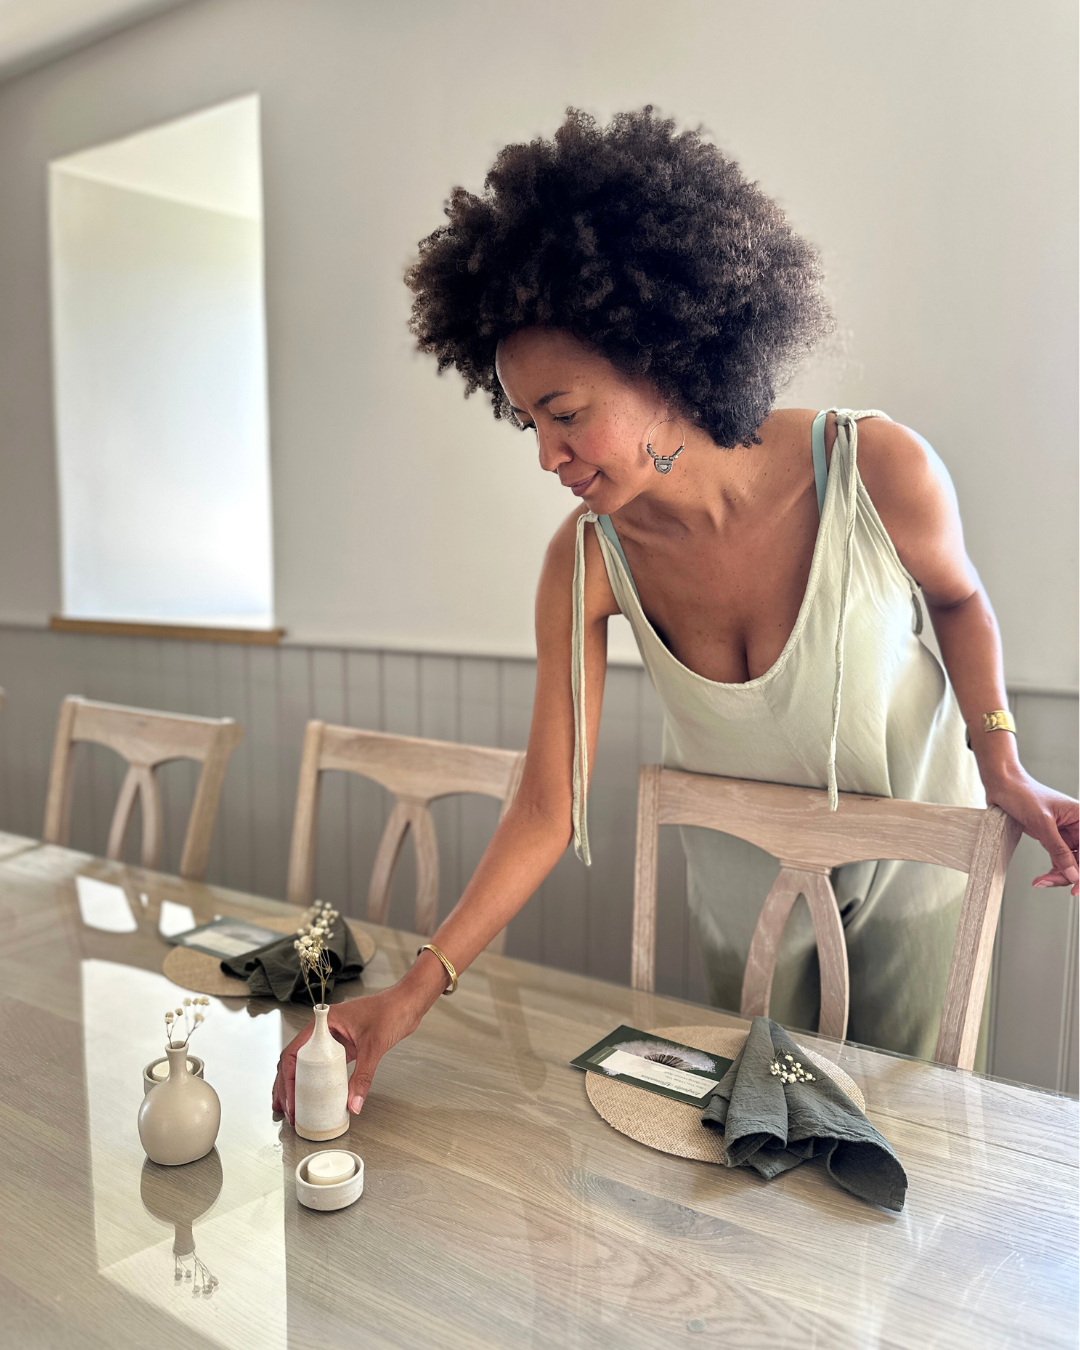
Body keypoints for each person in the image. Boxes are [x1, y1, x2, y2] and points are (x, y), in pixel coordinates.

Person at [273, 107, 1078, 1122]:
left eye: (565, 414)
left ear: (660, 360)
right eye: (528, 422)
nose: (545, 455)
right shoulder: (586, 562)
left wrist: (1000, 757)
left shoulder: (875, 470)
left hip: (922, 877)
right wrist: (409, 997)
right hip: (747, 906)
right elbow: (545, 808)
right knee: (755, 1133)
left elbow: (959, 599)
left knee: (892, 1143)